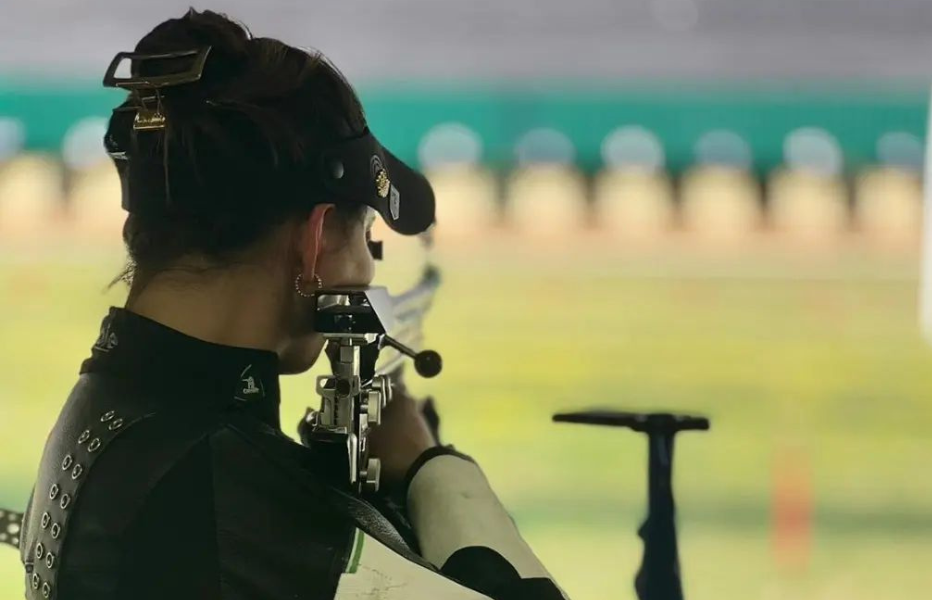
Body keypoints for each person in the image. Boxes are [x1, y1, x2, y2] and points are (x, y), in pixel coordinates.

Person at [18, 9, 565, 600]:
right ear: (317, 239)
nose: (366, 268)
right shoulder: (219, 480)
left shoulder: (110, 403)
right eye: (364, 236)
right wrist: (430, 469)